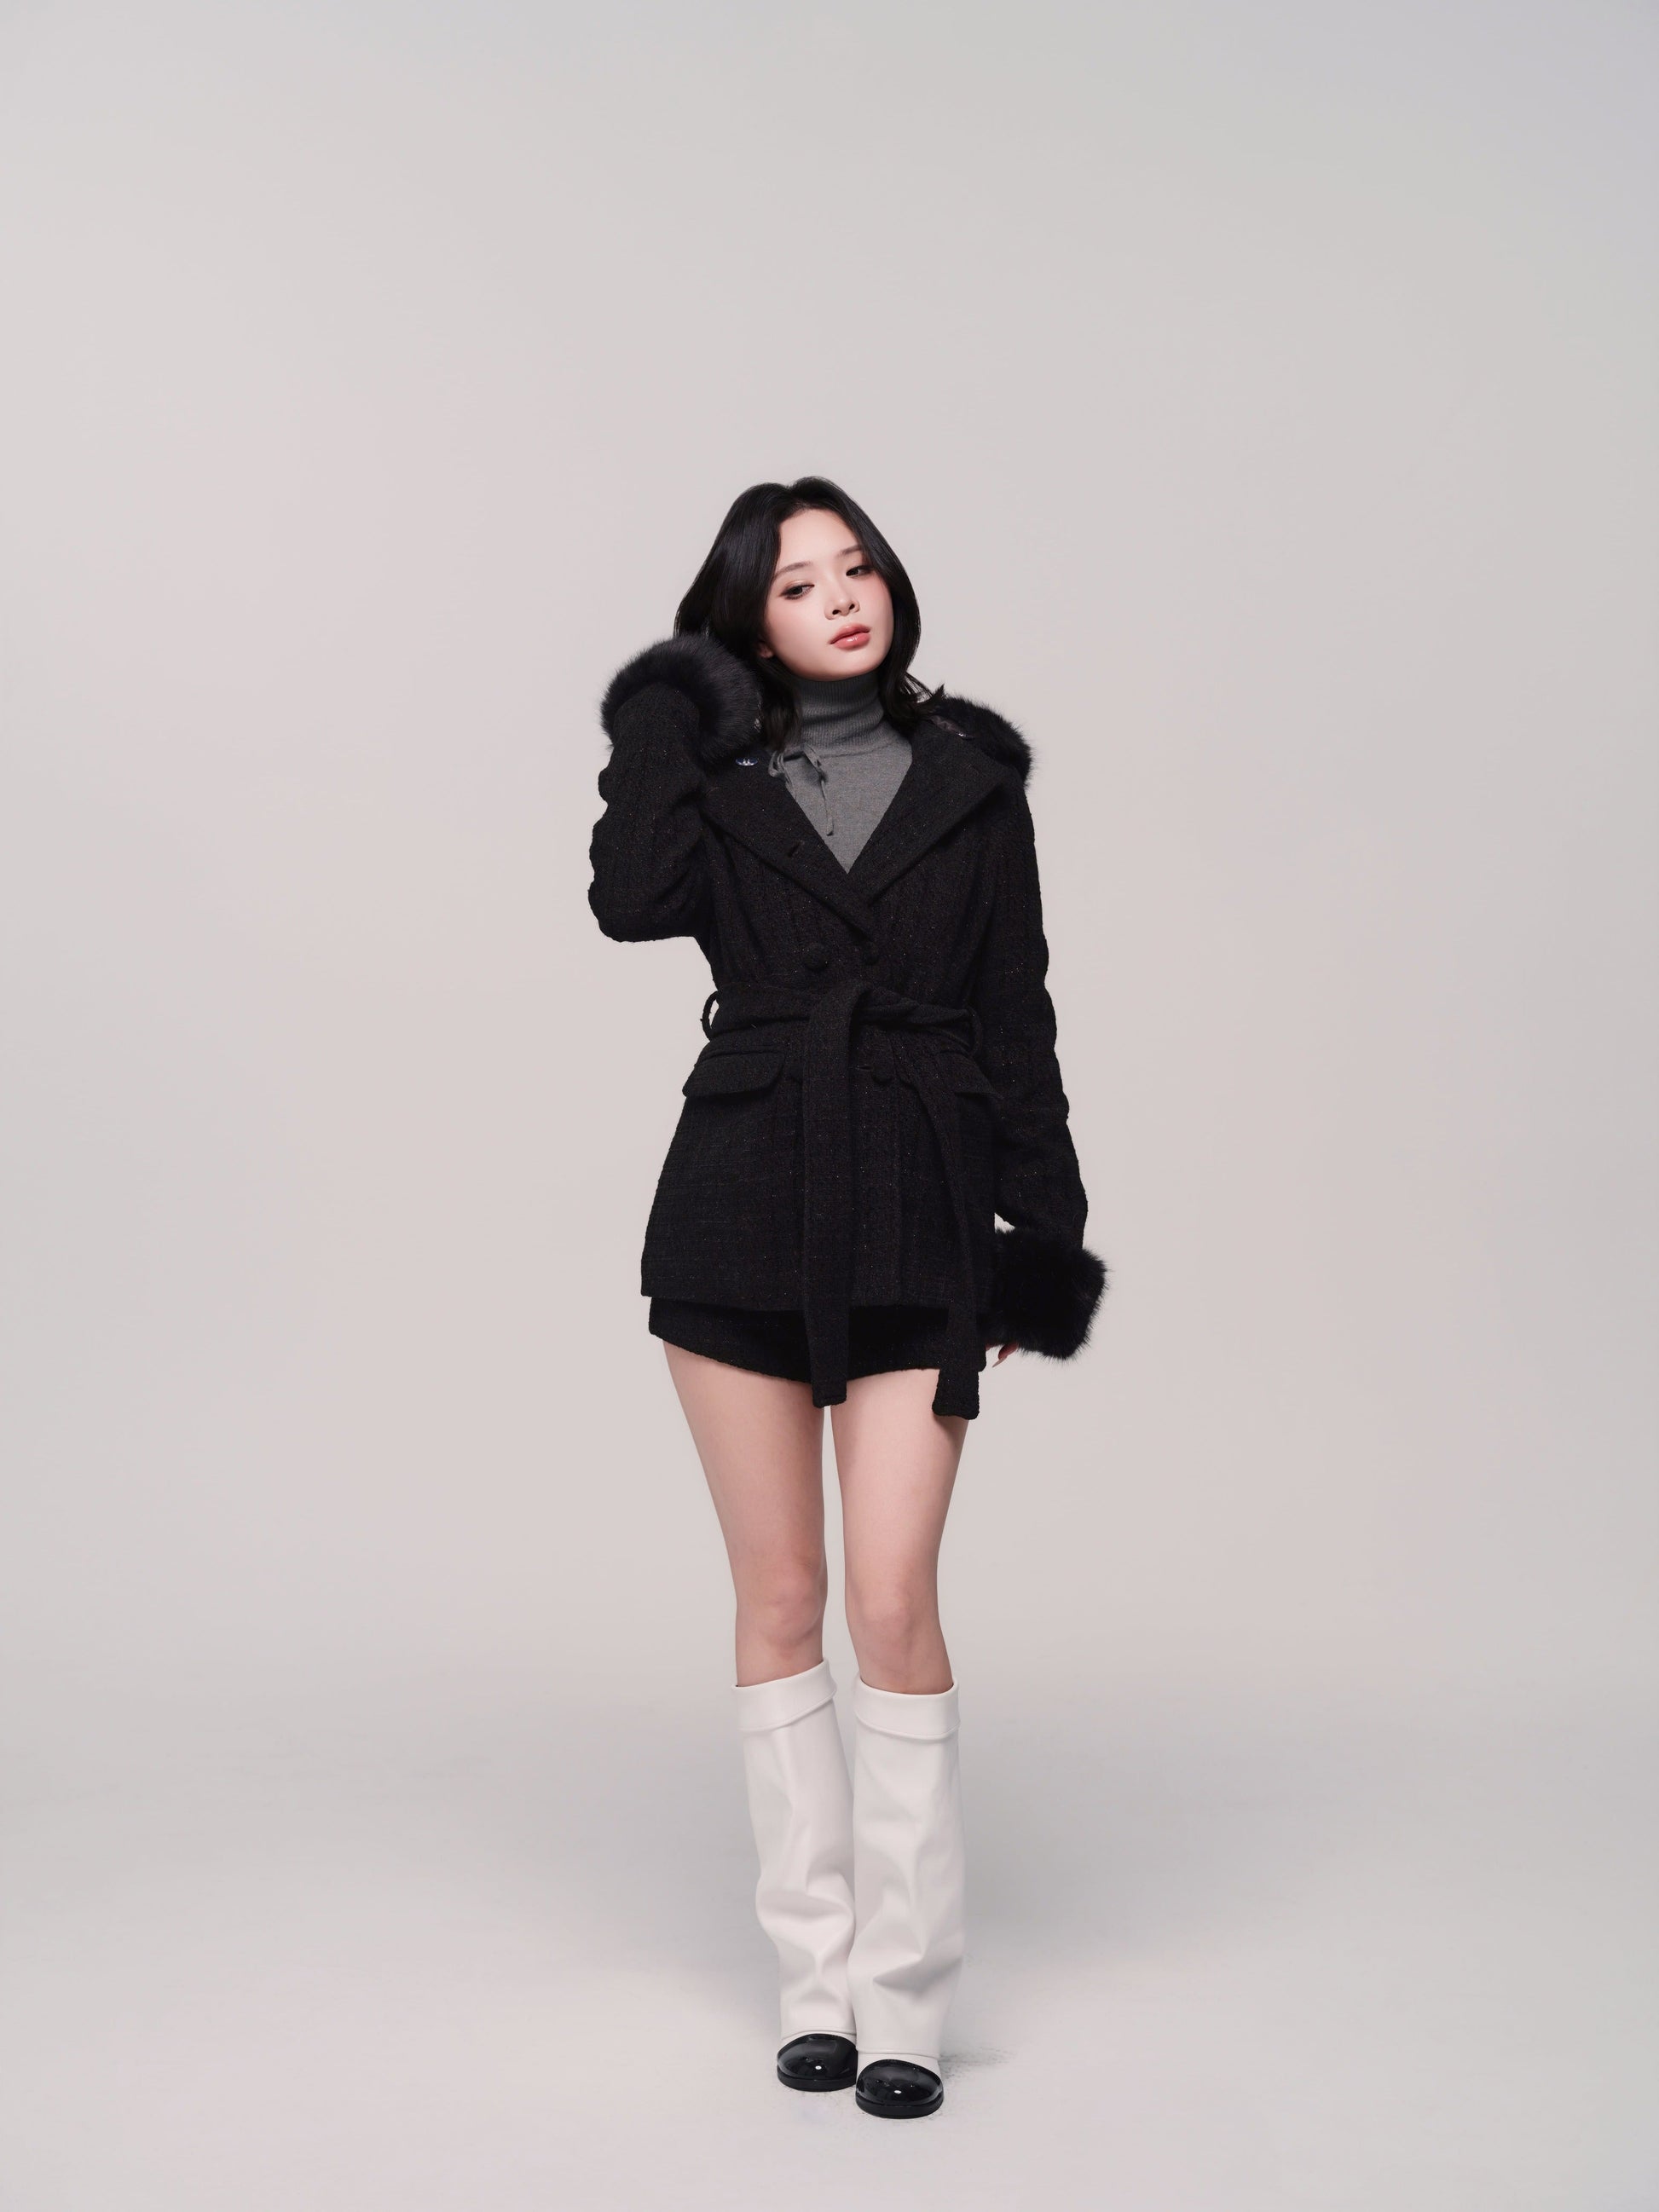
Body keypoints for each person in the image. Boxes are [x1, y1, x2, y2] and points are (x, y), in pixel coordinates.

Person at [587, 476, 1106, 2118]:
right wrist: (662, 706)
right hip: (739, 1199)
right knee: (781, 1595)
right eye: (798, 583)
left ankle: (903, 1998)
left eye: (857, 565)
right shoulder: (714, 777)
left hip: (921, 1203)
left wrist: (1040, 1229)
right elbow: (628, 900)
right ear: (748, 625)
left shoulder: (972, 782)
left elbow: (1016, 1013)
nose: (841, 596)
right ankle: (814, 1980)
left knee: (890, 1599)